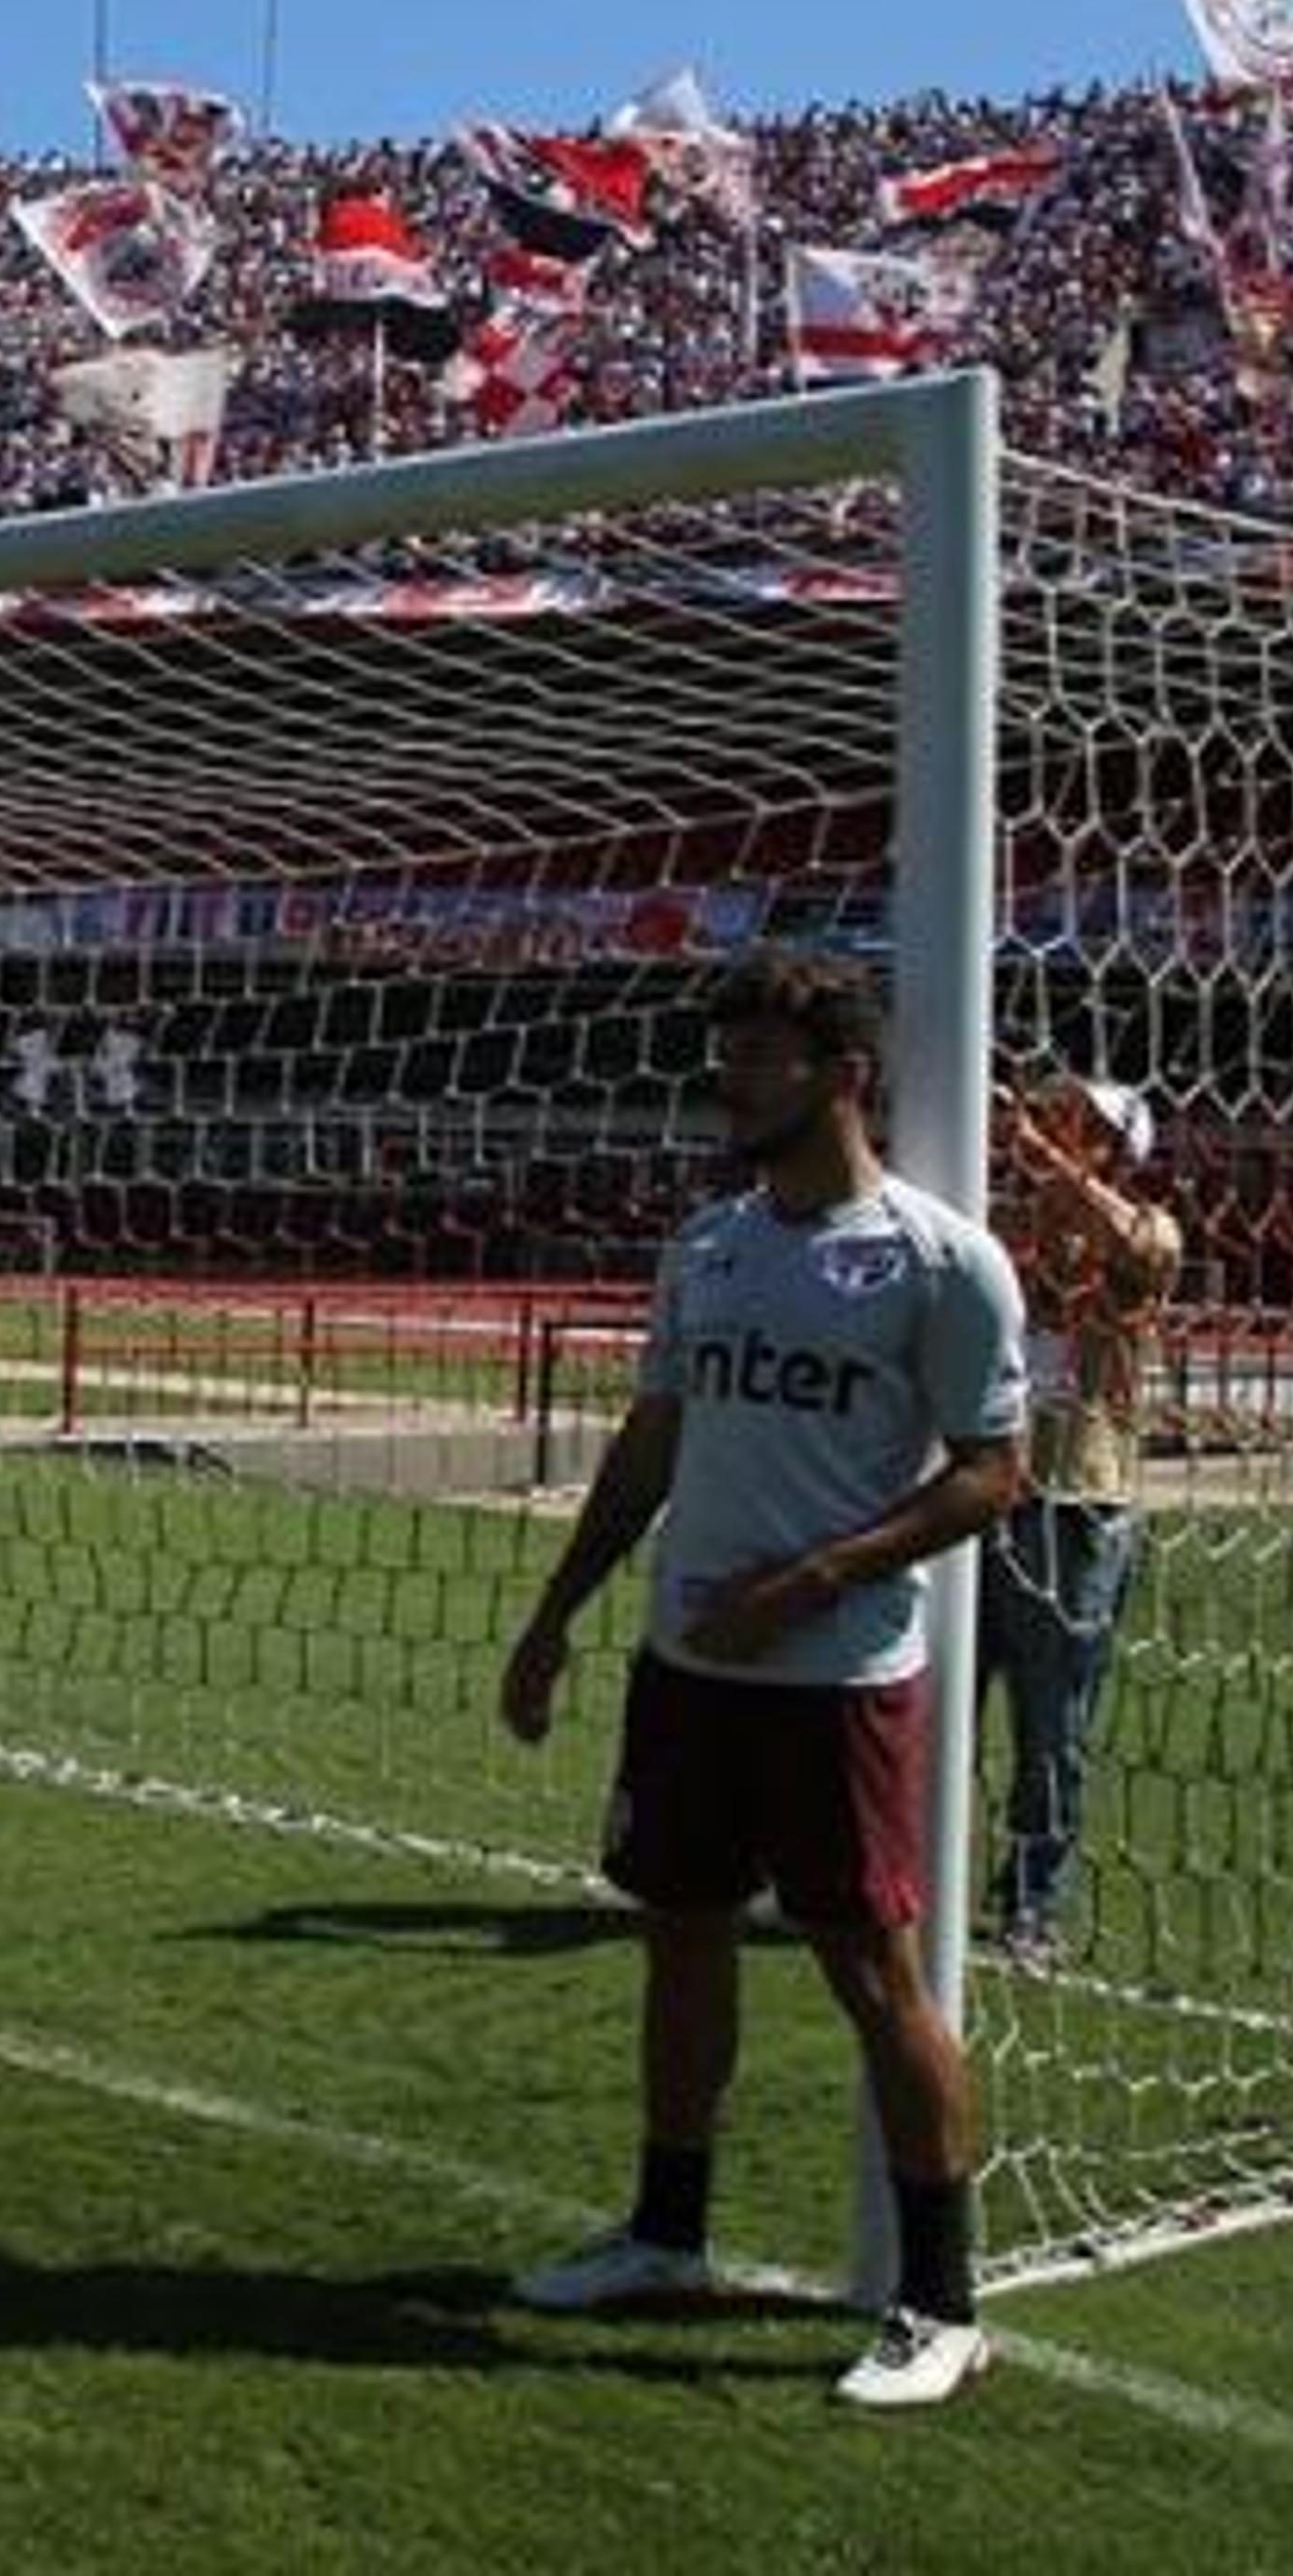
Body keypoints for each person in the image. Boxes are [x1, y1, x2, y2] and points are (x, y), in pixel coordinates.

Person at [496, 951, 1030, 2410]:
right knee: (679, 1933)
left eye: (757, 1057)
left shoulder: (939, 1259)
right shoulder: (712, 1245)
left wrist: (818, 1578)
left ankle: (940, 2301)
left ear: (840, 1076)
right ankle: (668, 2233)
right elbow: (653, 1444)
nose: (728, 1079)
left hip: (839, 1676)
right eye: (723, 1053)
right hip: (686, 1671)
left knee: (870, 1971)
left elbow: (996, 1472)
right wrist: (556, 1617)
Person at [984, 1073, 1182, 1961]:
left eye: (1084, 1123)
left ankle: (1034, 1904)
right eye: (1056, 1112)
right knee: (930, 1701)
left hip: (1077, 1507)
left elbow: (1136, 1245)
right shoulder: (1005, 1231)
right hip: (980, 1495)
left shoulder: (1149, 1232)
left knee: (1052, 1724)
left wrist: (1036, 1149)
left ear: (1120, 1150)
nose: (1060, 1126)